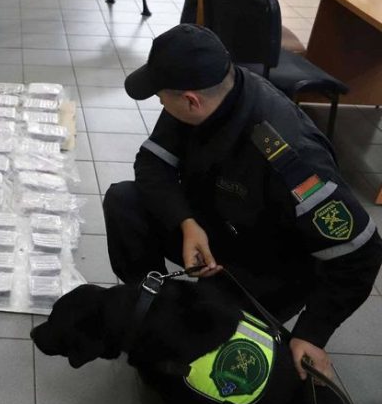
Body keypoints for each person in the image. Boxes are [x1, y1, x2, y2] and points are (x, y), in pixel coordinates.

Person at [103, 24, 382, 382]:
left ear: (191, 100)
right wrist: (186, 222)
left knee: (203, 340)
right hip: (214, 225)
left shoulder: (291, 159)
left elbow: (360, 253)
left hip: (268, 265)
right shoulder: (211, 88)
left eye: (160, 97)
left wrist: (313, 333)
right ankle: (150, 306)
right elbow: (152, 164)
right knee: (124, 201)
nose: (159, 103)